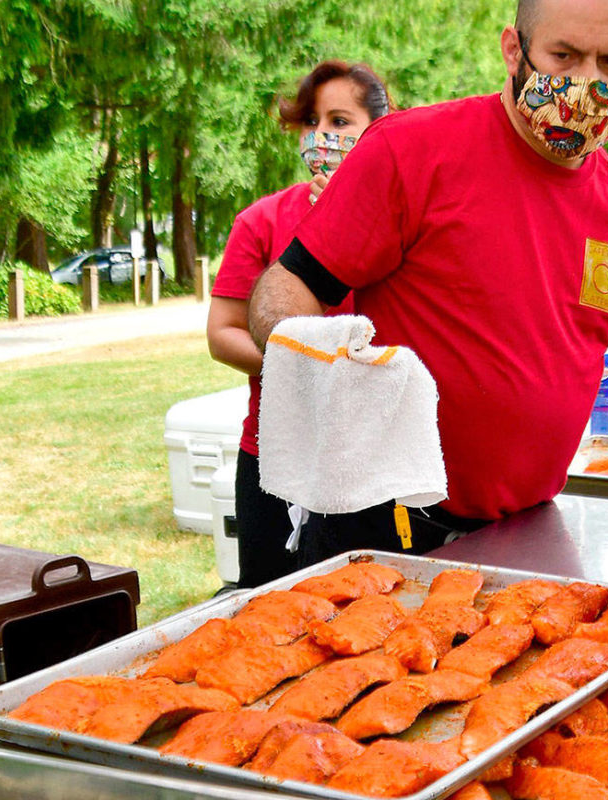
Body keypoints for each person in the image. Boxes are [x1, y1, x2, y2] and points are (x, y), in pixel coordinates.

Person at [246, 0, 608, 567]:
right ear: (514, 50)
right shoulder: (410, 150)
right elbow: (288, 283)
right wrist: (318, 357)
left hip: (523, 534)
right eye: (564, 56)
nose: (588, 83)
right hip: (379, 528)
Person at [206, 61, 392, 588]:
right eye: (312, 122)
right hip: (273, 456)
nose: (322, 136)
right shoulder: (261, 220)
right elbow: (222, 333)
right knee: (268, 603)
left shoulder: (402, 222)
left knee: (365, 603)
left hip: (371, 459)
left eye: (340, 121)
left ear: (379, 128)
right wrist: (301, 364)